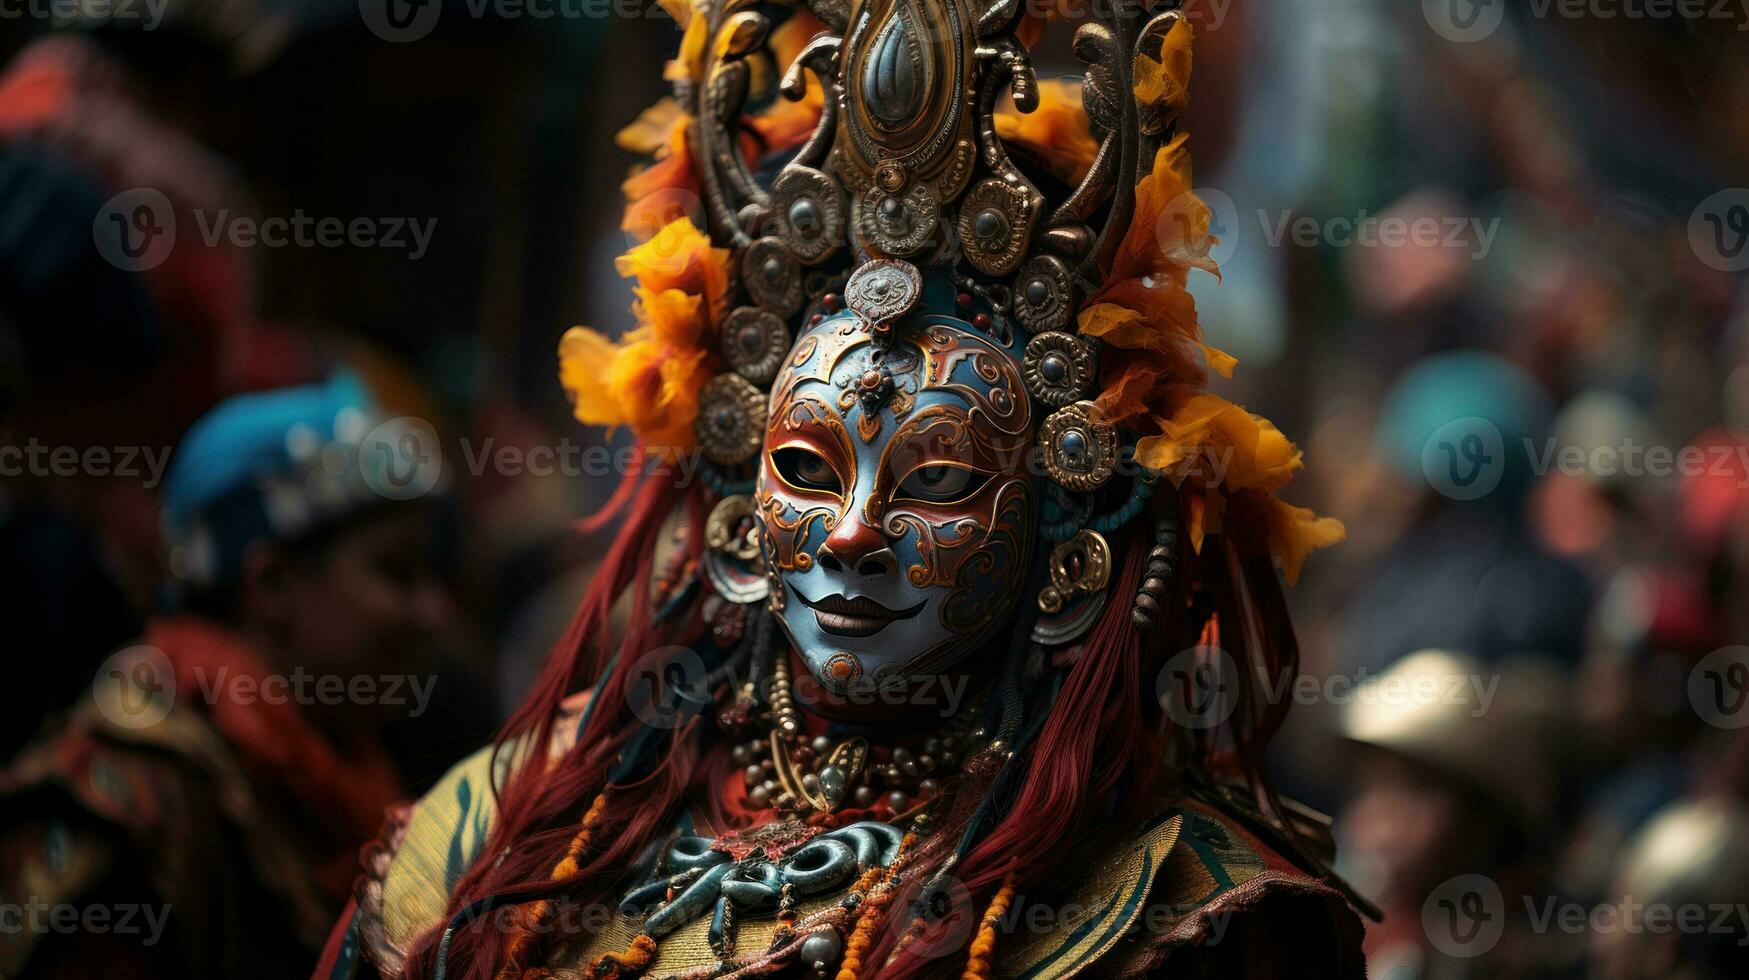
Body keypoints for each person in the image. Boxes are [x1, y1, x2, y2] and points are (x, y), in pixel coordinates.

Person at [319, 4, 1368, 978]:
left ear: (1068, 546)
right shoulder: (514, 821)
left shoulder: (1164, 906)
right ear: (738, 509)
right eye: (809, 470)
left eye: (939, 480)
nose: (856, 531)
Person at [0, 377, 453, 978]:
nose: (432, 610)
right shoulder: (129, 795)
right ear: (271, 586)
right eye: (396, 571)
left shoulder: (344, 793)